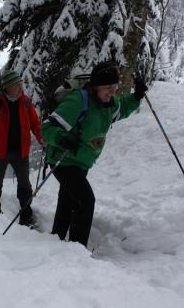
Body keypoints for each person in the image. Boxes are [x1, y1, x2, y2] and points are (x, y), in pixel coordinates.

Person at [42, 62, 148, 247]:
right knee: (85, 201)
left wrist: (137, 96)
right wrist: (63, 139)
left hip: (82, 162)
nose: (111, 92)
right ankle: (77, 249)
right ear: (96, 86)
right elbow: (47, 128)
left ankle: (56, 240)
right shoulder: (78, 102)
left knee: (68, 199)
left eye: (114, 87)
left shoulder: (109, 103)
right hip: (64, 160)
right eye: (107, 87)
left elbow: (121, 108)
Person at [0, 70, 46, 226]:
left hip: (21, 151)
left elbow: (35, 124)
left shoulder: (25, 102)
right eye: (16, 84)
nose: (21, 87)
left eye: (20, 83)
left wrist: (42, 138)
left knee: (25, 185)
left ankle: (26, 215)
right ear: (7, 87)